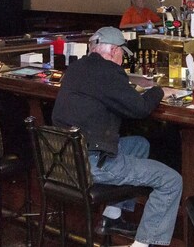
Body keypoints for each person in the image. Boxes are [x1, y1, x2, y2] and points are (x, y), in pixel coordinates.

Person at [52, 26, 182, 247]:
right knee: (172, 180)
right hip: (92, 163)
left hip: (65, 158)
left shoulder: (76, 68)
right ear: (113, 51)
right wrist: (158, 90)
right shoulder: (110, 73)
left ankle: (111, 217)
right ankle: (142, 244)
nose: (123, 59)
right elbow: (139, 109)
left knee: (139, 145)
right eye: (122, 53)